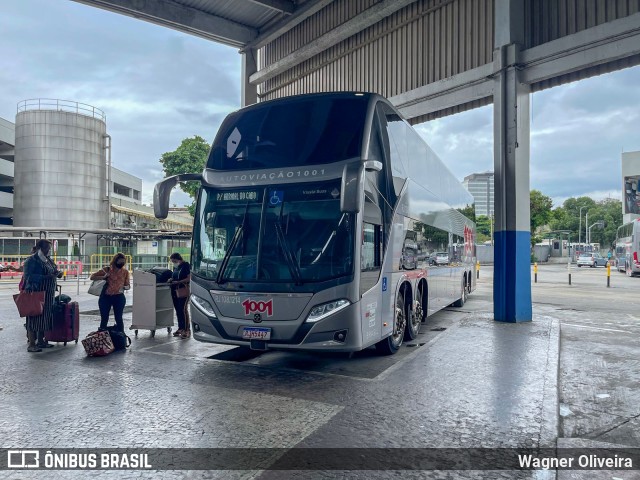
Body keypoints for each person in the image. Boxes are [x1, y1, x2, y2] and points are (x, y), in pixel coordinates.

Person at [22, 240, 63, 352]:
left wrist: (58, 274)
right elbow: (28, 277)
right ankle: (31, 344)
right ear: (39, 248)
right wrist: (46, 277)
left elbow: (53, 270)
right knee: (33, 318)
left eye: (49, 248)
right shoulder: (31, 260)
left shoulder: (48, 259)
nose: (48, 250)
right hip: (36, 293)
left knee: (44, 318)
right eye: (46, 248)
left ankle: (41, 341)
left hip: (48, 294)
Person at [90, 253, 130, 332]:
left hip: (119, 297)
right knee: (104, 318)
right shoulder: (107, 269)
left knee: (118, 318)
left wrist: (125, 287)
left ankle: (121, 337)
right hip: (106, 297)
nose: (121, 263)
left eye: (123, 262)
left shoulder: (125, 272)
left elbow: (127, 285)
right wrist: (103, 277)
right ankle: (102, 338)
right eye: (120, 261)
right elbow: (92, 277)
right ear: (115, 261)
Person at [169, 253, 191, 339]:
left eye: (173, 261)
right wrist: (171, 279)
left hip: (183, 290)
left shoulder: (186, 265)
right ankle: (181, 328)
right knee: (178, 310)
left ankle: (187, 329)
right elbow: (174, 276)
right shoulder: (176, 267)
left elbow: (189, 278)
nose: (173, 262)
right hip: (174, 290)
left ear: (177, 258)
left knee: (183, 309)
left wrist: (178, 282)